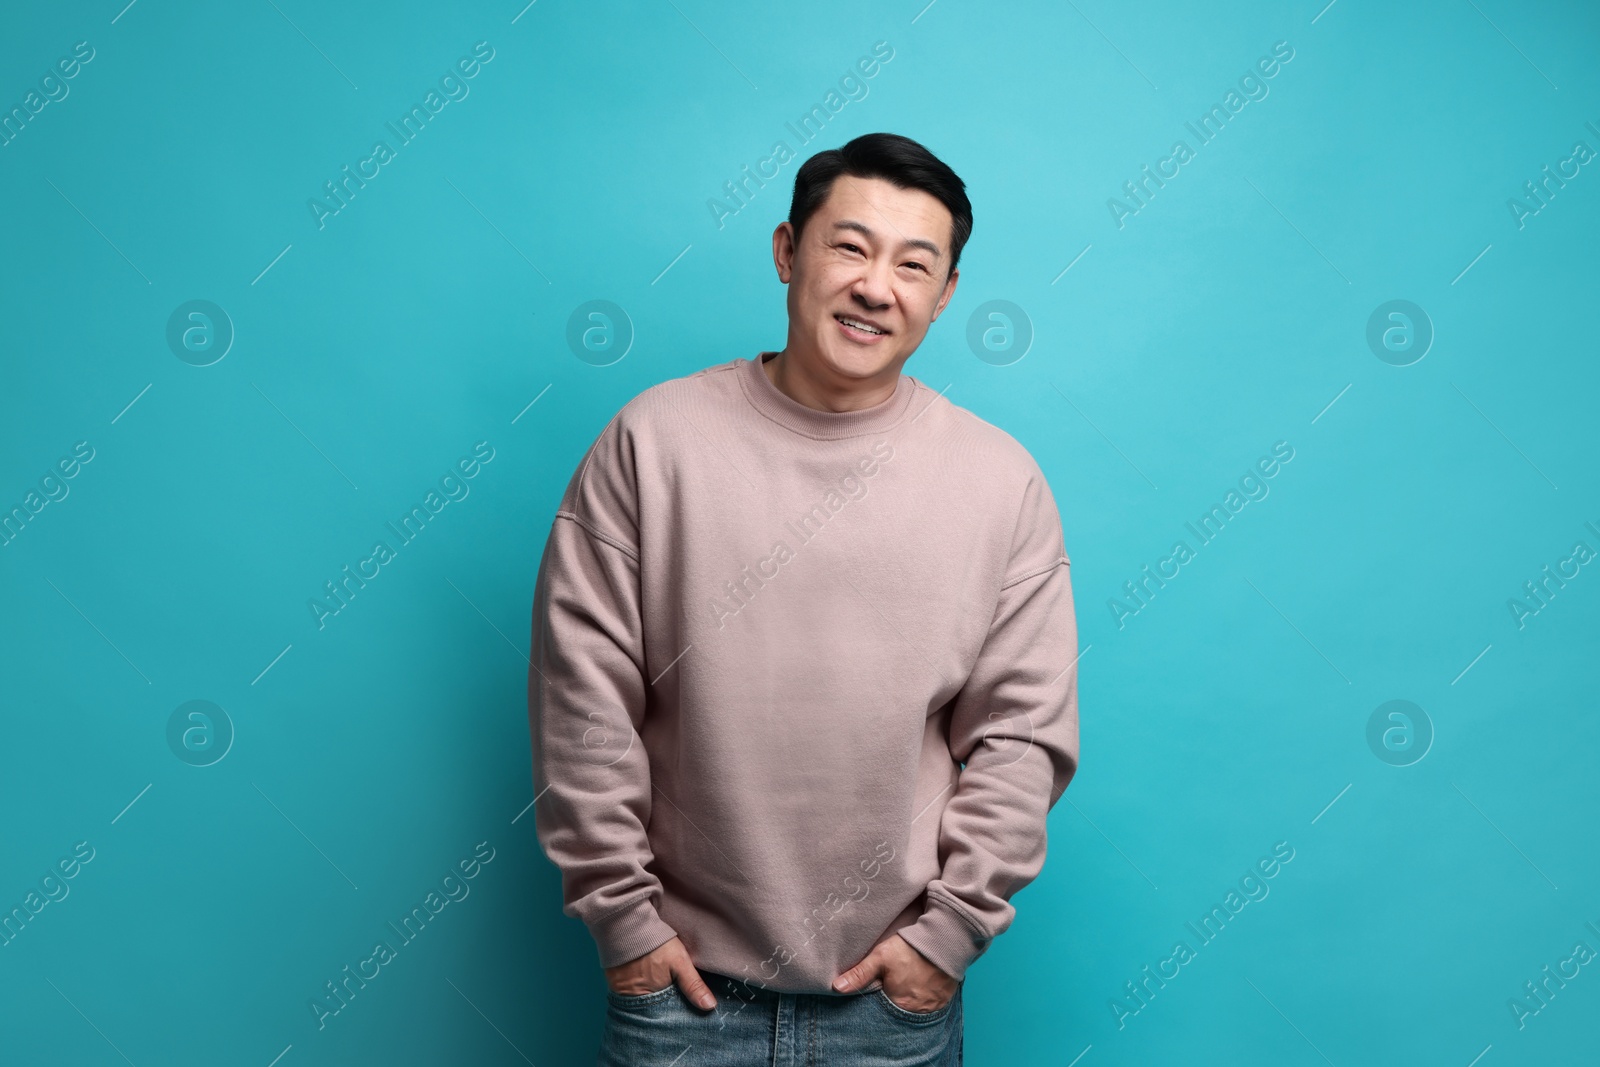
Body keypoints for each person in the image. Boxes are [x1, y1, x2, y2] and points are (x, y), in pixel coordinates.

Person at [527, 131, 1080, 1066]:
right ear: (788, 251)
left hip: (892, 1011)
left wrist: (942, 943)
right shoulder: (651, 444)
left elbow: (1021, 736)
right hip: (680, 1002)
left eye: (915, 264)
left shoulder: (1000, 482)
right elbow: (582, 700)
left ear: (944, 297)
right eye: (850, 247)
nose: (877, 286)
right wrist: (625, 924)